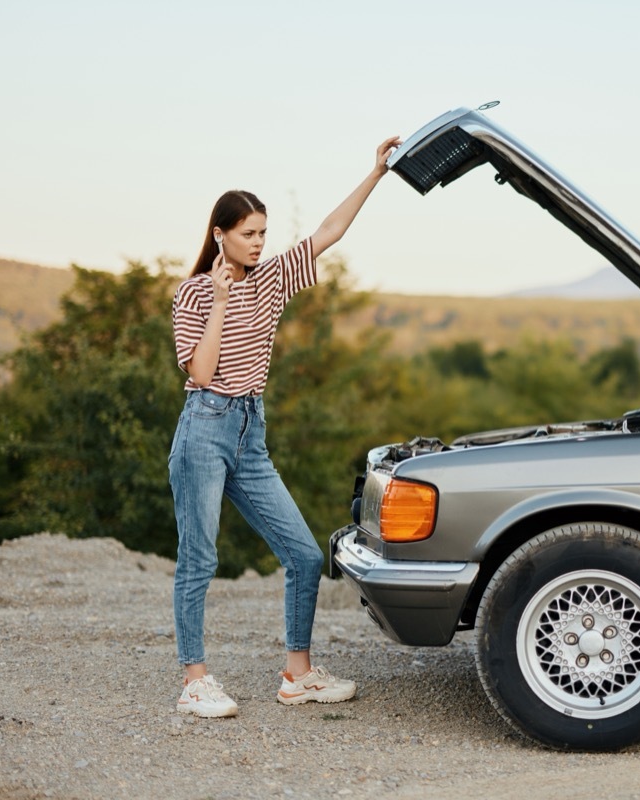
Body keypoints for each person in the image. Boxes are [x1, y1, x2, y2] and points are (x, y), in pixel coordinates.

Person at [169, 135, 402, 718]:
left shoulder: (273, 278)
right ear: (219, 234)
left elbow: (329, 231)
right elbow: (200, 371)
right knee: (199, 557)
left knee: (302, 555)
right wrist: (222, 299)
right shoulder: (194, 292)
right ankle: (195, 680)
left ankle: (297, 674)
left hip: (251, 431)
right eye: (247, 233)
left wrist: (374, 173)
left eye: (263, 234)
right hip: (204, 428)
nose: (258, 243)